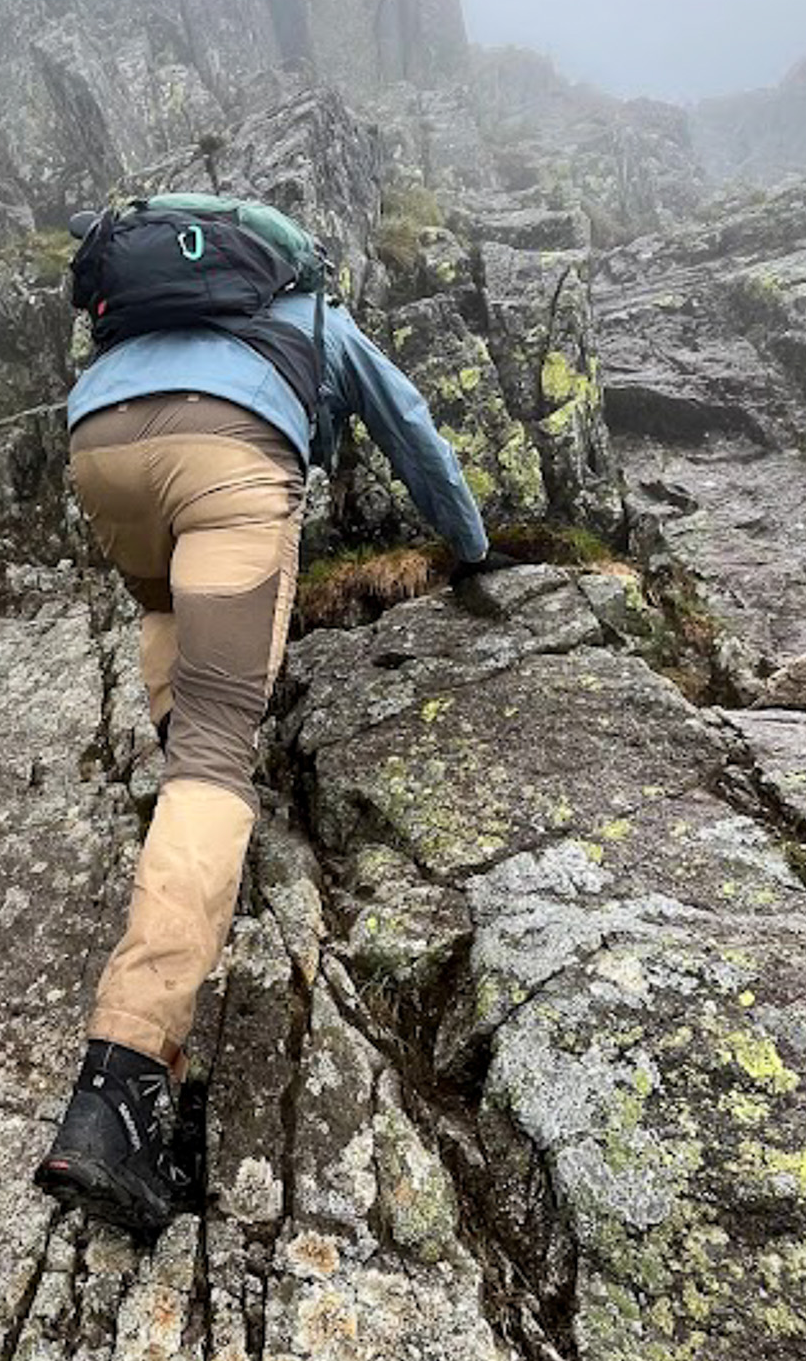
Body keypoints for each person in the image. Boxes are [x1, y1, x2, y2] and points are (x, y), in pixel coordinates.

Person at [34, 205, 511, 1235]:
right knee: (216, 747)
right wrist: (471, 548)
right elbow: (413, 434)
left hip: (98, 445)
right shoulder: (311, 311)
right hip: (229, 458)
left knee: (167, 612)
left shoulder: (148, 317)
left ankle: (185, 805)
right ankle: (118, 1086)